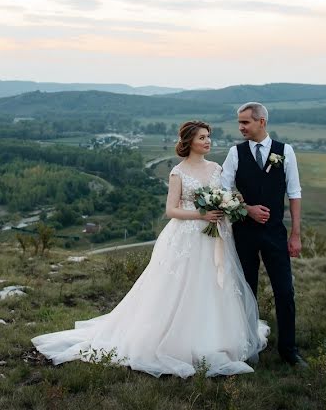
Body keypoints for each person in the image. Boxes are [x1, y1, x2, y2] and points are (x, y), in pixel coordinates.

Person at [32, 120, 269, 378]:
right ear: (190, 142)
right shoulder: (178, 172)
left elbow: (225, 195)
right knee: (181, 287)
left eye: (208, 137)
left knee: (213, 284)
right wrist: (201, 216)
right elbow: (171, 210)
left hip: (215, 236)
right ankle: (176, 339)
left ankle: (217, 338)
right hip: (187, 236)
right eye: (202, 137)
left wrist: (226, 206)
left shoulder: (216, 168)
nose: (208, 141)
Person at [220, 102, 307, 368]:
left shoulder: (285, 152)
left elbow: (294, 193)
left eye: (245, 122)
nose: (241, 128)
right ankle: (247, 346)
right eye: (239, 123)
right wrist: (247, 210)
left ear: (261, 122)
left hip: (275, 234)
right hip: (244, 233)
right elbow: (222, 192)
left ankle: (288, 350)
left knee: (284, 291)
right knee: (246, 291)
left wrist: (295, 234)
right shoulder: (235, 153)